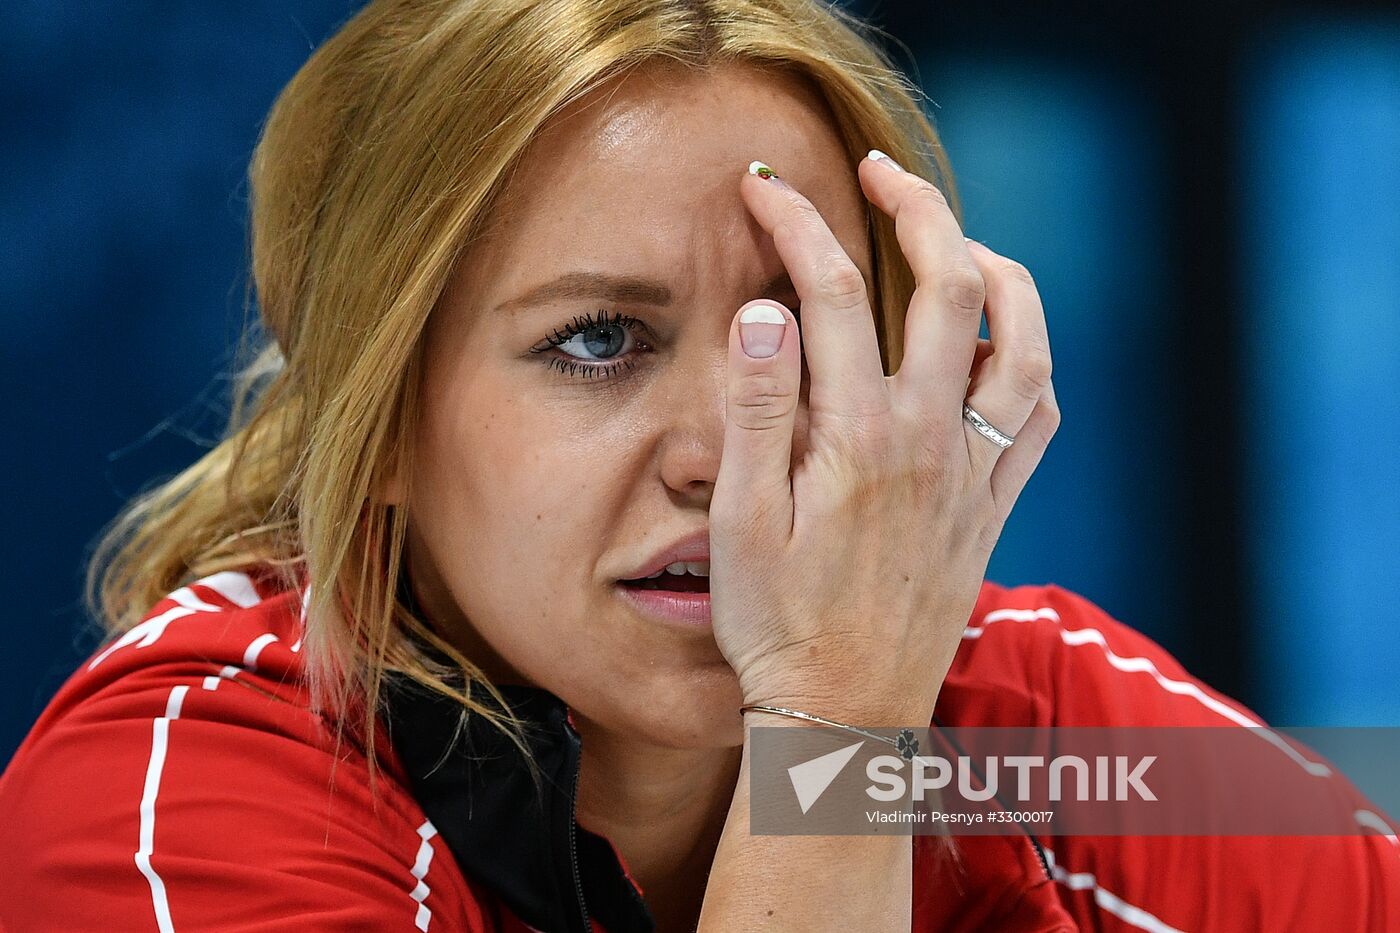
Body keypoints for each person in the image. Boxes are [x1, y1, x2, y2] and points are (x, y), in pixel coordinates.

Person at [1, 1, 1396, 930]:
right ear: (380, 421)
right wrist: (836, 727)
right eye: (598, 340)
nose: (726, 451)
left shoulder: (1015, 731)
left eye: (792, 332)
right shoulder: (176, 797)